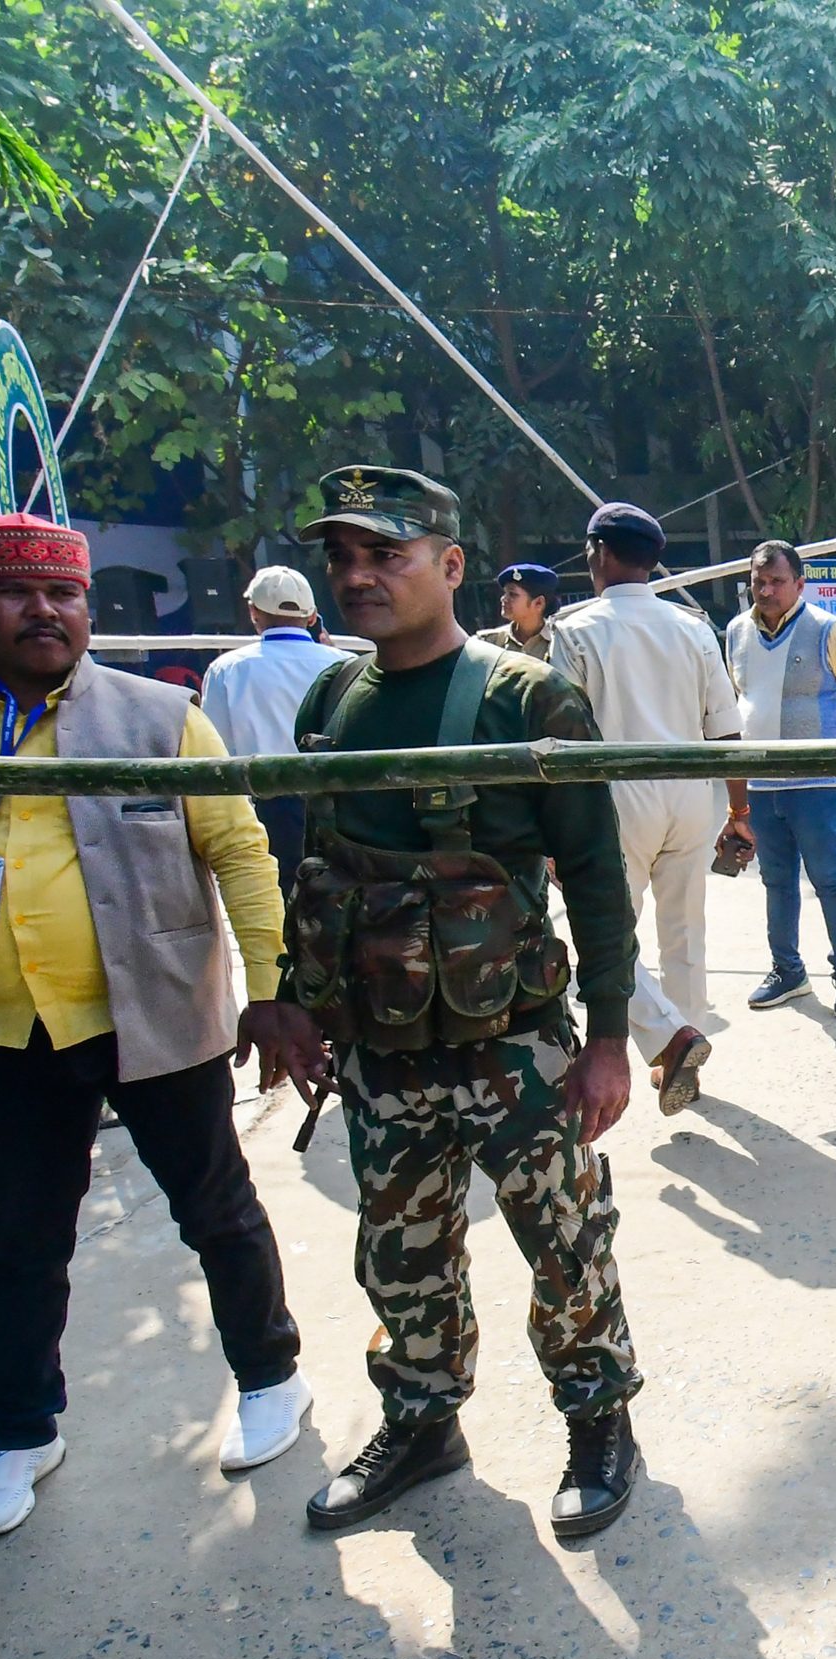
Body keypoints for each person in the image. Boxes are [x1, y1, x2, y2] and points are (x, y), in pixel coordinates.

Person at [0, 513, 310, 1541]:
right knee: (17, 1242)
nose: (45, 612)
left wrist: (270, 986)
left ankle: (270, 1374)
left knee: (216, 1209)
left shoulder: (160, 715)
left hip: (149, 1009)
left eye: (62, 595)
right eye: (16, 593)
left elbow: (240, 849)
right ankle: (21, 1430)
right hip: (6, 1028)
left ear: (86, 605)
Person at [278, 465, 647, 1539]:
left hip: (514, 1046)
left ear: (448, 565)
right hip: (381, 1048)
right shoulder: (331, 700)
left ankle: (598, 1419)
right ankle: (424, 1420)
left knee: (565, 1243)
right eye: (342, 557)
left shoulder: (526, 698)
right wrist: (296, 1001)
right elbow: (319, 872)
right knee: (400, 1251)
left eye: (384, 553)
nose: (357, 575)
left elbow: (594, 875)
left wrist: (612, 1036)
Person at [552, 503, 751, 1114]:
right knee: (685, 929)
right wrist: (738, 812)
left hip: (616, 795)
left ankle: (671, 1038)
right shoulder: (693, 628)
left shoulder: (575, 629)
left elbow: (565, 740)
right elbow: (727, 732)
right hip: (690, 791)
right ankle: (681, 1054)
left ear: (599, 555)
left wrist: (557, 832)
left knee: (604, 934)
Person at [724, 540, 836, 1019]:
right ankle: (787, 970)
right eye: (759, 581)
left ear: (799, 583)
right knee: (776, 881)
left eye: (776, 581)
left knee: (831, 880)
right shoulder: (736, 631)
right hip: (762, 785)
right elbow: (738, 697)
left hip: (817, 785)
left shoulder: (826, 630)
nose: (767, 590)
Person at [199, 565, 355, 893]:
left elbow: (214, 749)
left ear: (254, 612)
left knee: (276, 899)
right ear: (312, 616)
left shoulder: (227, 668)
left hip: (263, 804)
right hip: (339, 802)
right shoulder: (346, 663)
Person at [477, 562, 560, 661]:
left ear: (538, 603)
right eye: (505, 593)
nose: (503, 599)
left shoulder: (561, 643)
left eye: (512, 594)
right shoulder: (491, 643)